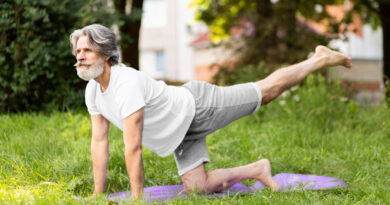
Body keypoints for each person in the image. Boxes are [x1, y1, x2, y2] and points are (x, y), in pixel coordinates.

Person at [69, 24, 352, 200]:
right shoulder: (93, 91)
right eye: (78, 52)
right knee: (198, 189)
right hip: (179, 135)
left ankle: (319, 59)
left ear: (106, 55)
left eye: (87, 51)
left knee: (266, 92)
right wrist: (97, 193)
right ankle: (257, 169)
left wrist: (136, 198)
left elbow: (132, 148)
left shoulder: (125, 83)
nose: (79, 57)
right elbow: (99, 143)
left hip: (197, 106)